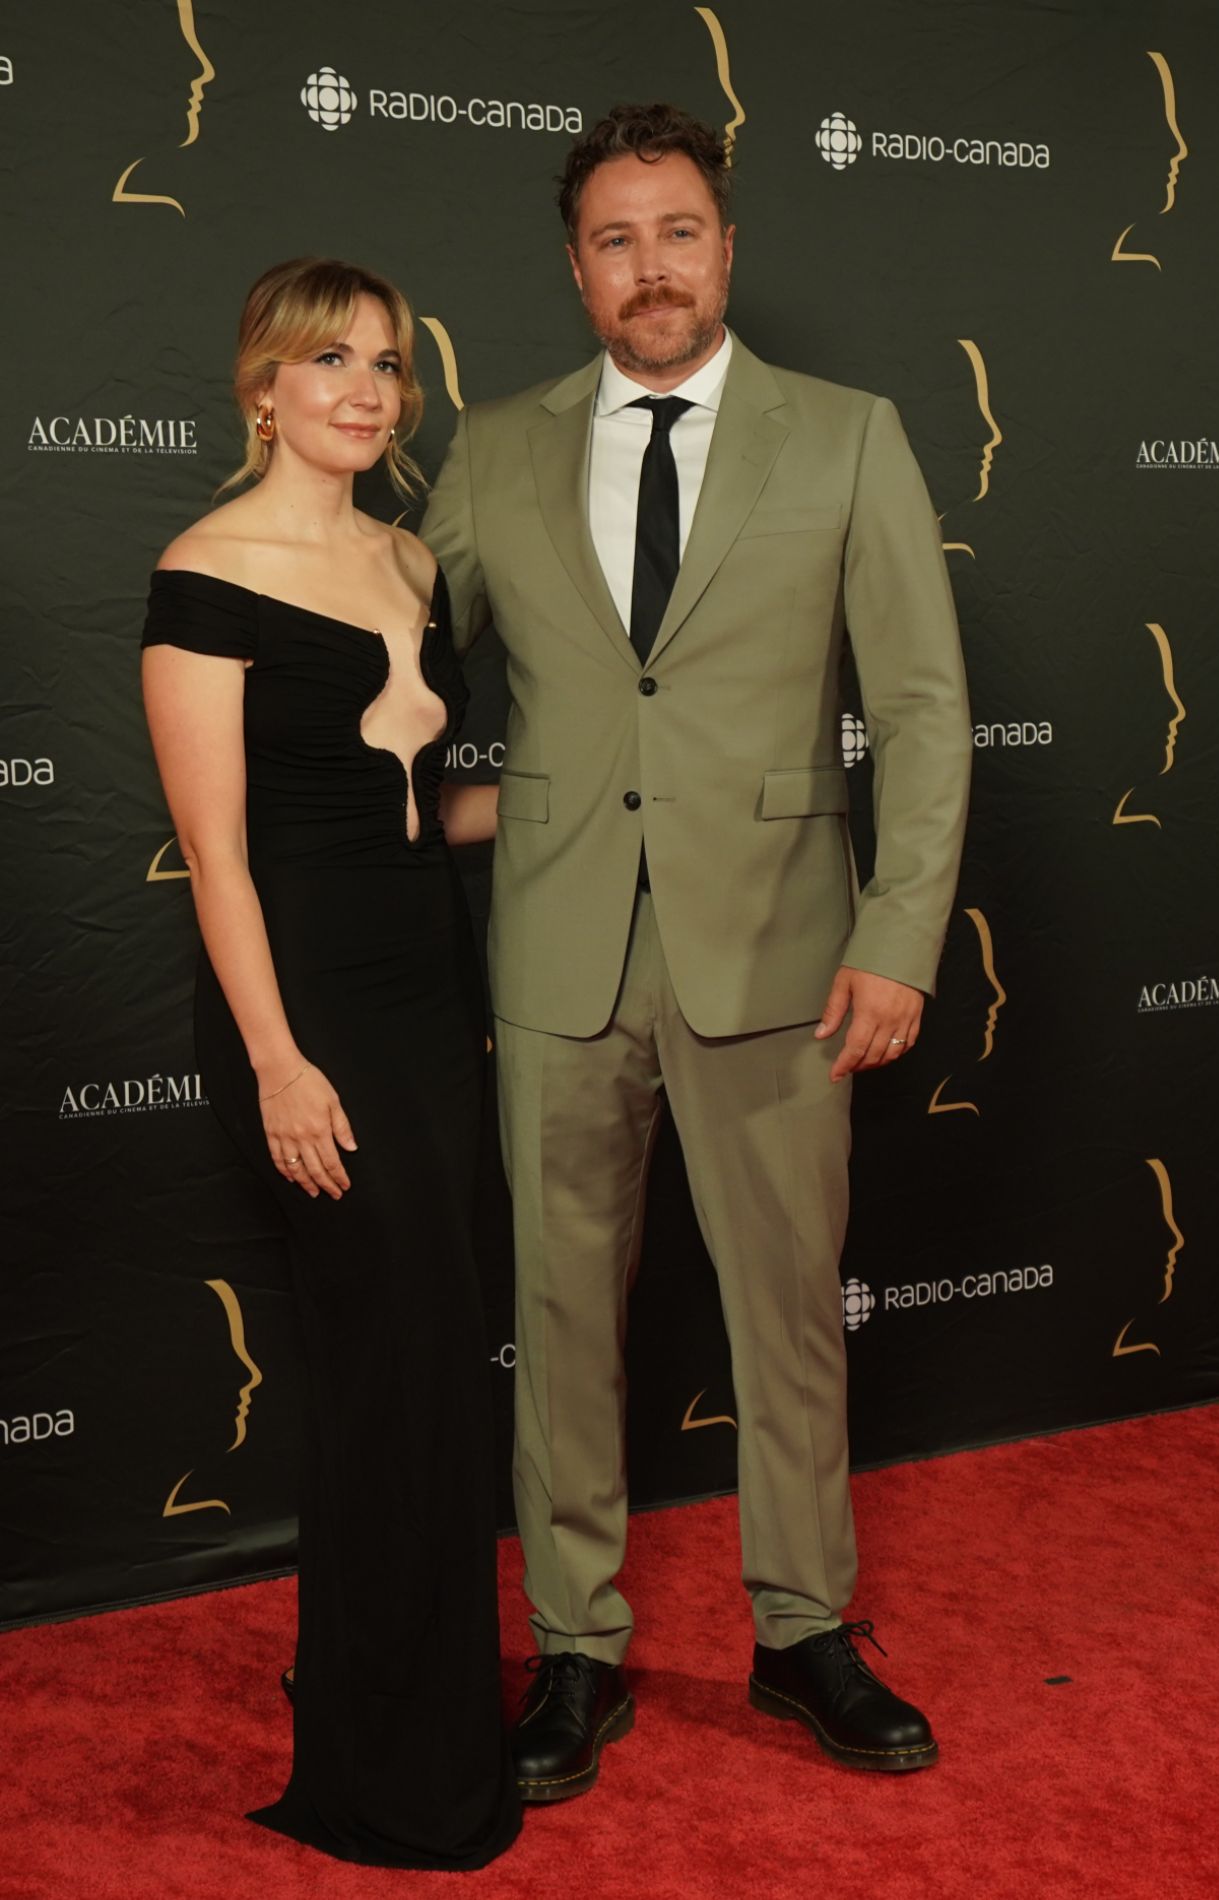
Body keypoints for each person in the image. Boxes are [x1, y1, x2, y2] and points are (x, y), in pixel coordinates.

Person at [421, 103, 971, 1799]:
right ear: (575, 268)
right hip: (558, 951)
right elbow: (399, 670)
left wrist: (899, 937)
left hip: (785, 954)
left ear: (726, 249)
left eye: (676, 233)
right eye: (615, 240)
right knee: (558, 1314)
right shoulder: (493, 450)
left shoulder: (850, 437)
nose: (648, 268)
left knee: (790, 1312)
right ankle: (575, 1647)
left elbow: (922, 708)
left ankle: (804, 1628)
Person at [141, 256, 521, 1869]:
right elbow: (217, 858)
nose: (365, 390)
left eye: (385, 364)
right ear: (263, 390)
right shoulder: (205, 572)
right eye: (329, 361)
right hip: (307, 1012)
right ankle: (385, 1766)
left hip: (433, 995)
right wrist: (280, 1065)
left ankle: (414, 1715)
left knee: (429, 1372)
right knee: (386, 1373)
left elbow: (430, 815)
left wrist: (617, 786)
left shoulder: (411, 559)